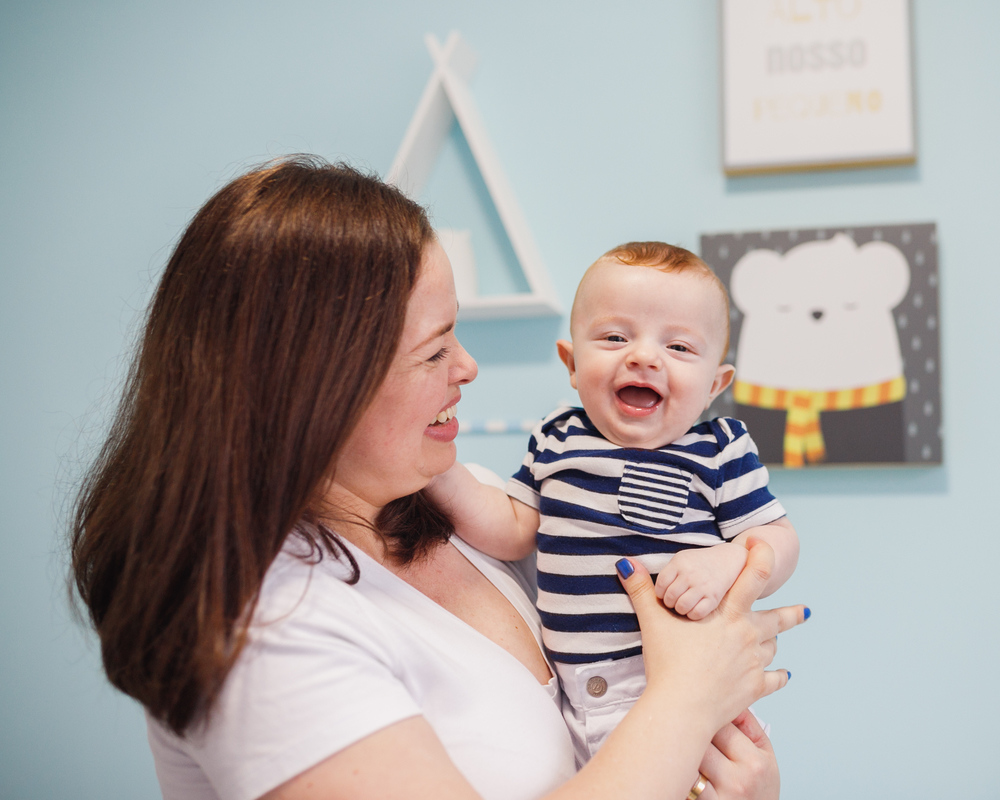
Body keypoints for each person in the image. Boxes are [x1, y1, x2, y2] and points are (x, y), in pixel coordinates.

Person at [69, 157, 809, 800]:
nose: (468, 368)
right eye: (434, 350)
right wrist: (689, 696)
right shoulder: (260, 624)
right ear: (314, 386)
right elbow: (670, 711)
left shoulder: (463, 508)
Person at [426, 243, 800, 764]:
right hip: (571, 702)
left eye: (679, 347)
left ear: (715, 384)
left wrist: (726, 560)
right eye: (615, 337)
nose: (643, 356)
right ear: (572, 363)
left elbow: (779, 538)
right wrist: (436, 470)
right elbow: (511, 528)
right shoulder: (558, 437)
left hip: (687, 694)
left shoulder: (719, 449)